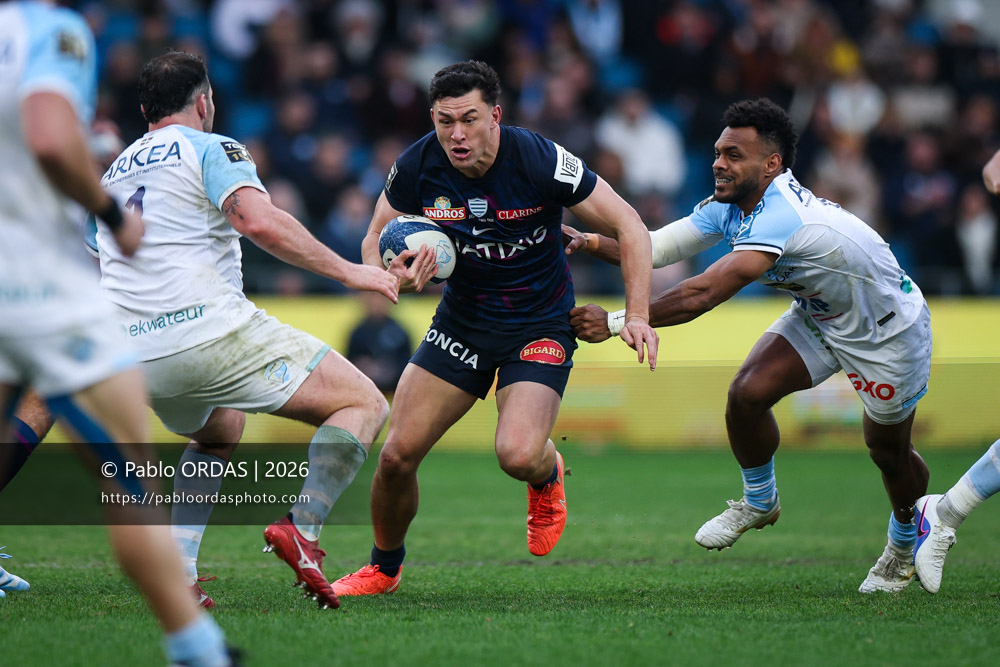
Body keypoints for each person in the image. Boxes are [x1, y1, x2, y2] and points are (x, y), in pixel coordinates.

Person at [566, 98, 932, 594]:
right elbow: (655, 248)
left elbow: (703, 293)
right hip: (822, 313)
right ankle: (760, 502)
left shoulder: (781, 213)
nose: (719, 163)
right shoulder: (730, 204)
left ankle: (905, 544)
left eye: (734, 155)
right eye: (719, 152)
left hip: (887, 330)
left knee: (887, 452)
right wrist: (589, 242)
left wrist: (615, 323)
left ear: (771, 164)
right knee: (747, 394)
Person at [330, 60, 658, 596]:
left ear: (495, 116)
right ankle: (383, 569)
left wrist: (637, 314)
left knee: (518, 455)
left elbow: (631, 226)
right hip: (461, 325)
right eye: (445, 121)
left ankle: (547, 472)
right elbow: (374, 237)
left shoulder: (540, 158)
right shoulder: (416, 165)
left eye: (469, 119)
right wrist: (391, 275)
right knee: (395, 457)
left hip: (539, 325)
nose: (457, 134)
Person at [92, 51, 399, 611]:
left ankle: (178, 569)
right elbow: (259, 221)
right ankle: (302, 527)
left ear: (145, 111)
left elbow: (100, 259)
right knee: (364, 403)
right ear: (204, 101)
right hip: (205, 332)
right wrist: (351, 272)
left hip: (132, 353)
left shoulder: (112, 174)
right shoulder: (212, 148)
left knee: (220, 428)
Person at [0, 3, 231, 664]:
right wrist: (112, 213)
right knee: (129, 470)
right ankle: (197, 646)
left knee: (33, 407)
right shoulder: (51, 31)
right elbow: (48, 139)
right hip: (28, 272)